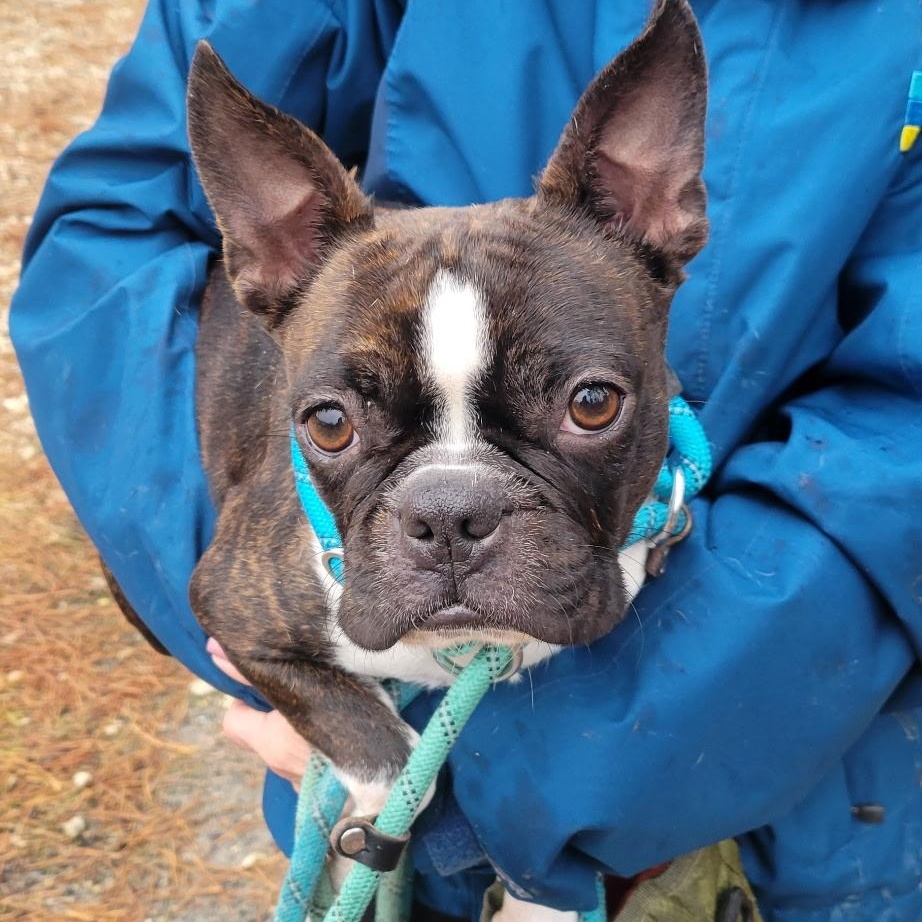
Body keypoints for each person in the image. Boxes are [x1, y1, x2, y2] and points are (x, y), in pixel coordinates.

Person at [10, 1, 922, 920]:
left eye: (586, 405)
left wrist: (571, 775)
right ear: (270, 259)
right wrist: (379, 776)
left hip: (824, 785)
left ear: (659, 215)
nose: (449, 520)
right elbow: (107, 258)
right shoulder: (313, 302)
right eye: (337, 428)